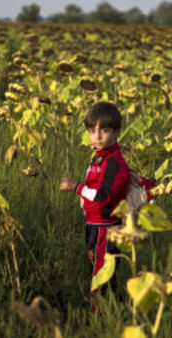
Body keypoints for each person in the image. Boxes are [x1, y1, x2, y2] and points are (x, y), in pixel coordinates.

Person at [59, 101, 131, 303]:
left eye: (104, 131)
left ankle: (99, 311)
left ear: (117, 132)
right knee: (96, 266)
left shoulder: (114, 162)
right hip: (95, 224)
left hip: (106, 227)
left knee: (101, 272)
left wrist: (76, 187)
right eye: (92, 131)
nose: (97, 136)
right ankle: (107, 305)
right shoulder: (99, 157)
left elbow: (102, 197)